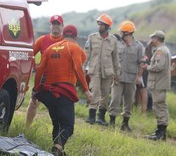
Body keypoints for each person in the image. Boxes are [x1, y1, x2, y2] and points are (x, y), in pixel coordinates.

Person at [32, 24, 92, 156]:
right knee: (68, 127)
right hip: (64, 93)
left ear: (63, 35)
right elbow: (78, 68)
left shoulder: (50, 48)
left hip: (47, 93)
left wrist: (36, 90)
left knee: (57, 124)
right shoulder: (74, 48)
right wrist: (86, 91)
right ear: (75, 37)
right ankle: (57, 148)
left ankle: (58, 151)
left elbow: (39, 70)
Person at [25, 15, 64, 128]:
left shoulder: (65, 41)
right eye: (53, 24)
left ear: (62, 26)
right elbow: (30, 55)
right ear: (50, 25)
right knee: (33, 103)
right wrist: (34, 68)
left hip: (59, 78)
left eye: (58, 24)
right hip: (43, 77)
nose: (56, 26)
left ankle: (58, 131)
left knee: (60, 107)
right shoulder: (43, 40)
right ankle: (27, 128)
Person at [84, 14, 120, 126]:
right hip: (94, 70)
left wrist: (117, 74)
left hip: (108, 72)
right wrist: (82, 68)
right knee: (95, 92)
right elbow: (86, 55)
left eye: (102, 24)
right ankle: (91, 116)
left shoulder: (113, 41)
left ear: (107, 26)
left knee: (105, 94)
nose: (99, 26)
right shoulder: (92, 38)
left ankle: (101, 117)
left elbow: (116, 59)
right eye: (99, 24)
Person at [108, 20, 144, 131]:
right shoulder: (117, 44)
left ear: (127, 33)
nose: (120, 34)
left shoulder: (138, 46)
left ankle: (125, 124)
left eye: (122, 32)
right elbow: (111, 58)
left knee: (129, 101)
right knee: (115, 99)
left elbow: (141, 63)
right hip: (118, 77)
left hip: (131, 78)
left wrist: (139, 77)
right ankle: (112, 122)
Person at [142, 30, 171, 140]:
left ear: (157, 39)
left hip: (159, 83)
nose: (151, 40)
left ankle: (160, 133)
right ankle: (160, 132)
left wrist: (147, 68)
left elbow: (158, 67)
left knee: (160, 107)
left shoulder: (160, 51)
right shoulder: (162, 50)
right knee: (160, 106)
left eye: (152, 38)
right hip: (160, 83)